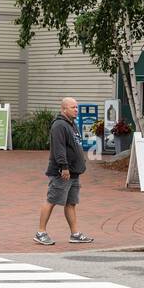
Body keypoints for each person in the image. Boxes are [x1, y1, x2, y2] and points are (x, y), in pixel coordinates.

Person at [35, 96, 94, 246]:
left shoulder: (71, 124)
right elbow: (59, 149)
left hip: (74, 172)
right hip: (62, 172)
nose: (76, 110)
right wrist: (64, 167)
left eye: (77, 107)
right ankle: (40, 232)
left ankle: (75, 234)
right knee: (51, 200)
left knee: (71, 203)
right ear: (64, 109)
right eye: (73, 107)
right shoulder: (59, 125)